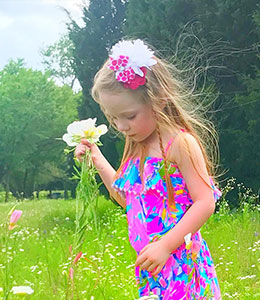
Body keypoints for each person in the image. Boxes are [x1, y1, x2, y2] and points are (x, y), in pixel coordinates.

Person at [74, 39, 222, 299]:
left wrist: (165, 245)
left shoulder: (180, 144)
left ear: (159, 100)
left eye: (129, 116)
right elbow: (125, 198)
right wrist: (97, 159)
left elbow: (205, 202)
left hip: (183, 264)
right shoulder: (137, 147)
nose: (121, 126)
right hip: (153, 267)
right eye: (113, 117)